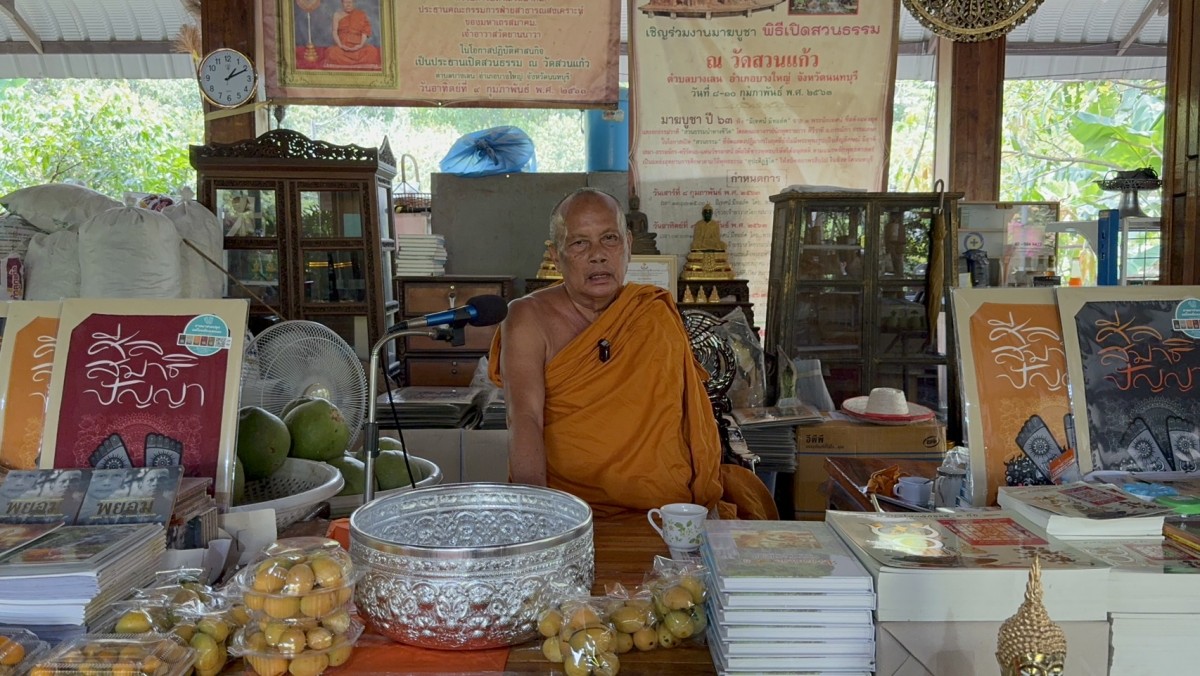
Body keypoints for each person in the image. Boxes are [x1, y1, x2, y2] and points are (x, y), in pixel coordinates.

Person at [488, 188, 775, 519]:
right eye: (580, 243)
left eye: (609, 238)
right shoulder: (527, 318)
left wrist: (697, 509)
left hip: (665, 509)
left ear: (627, 245)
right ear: (555, 256)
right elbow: (524, 417)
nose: (598, 255)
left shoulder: (652, 313)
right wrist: (539, 518)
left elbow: (686, 419)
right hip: (572, 511)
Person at [324, 0, 381, 68]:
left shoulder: (361, 14)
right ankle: (356, 63)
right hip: (343, 47)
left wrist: (360, 45)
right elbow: (334, 31)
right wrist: (340, 45)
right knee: (332, 53)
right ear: (342, 3)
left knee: (372, 52)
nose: (348, 5)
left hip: (358, 46)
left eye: (350, 2)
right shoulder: (337, 15)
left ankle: (347, 63)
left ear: (354, 3)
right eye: (346, 2)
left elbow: (365, 32)